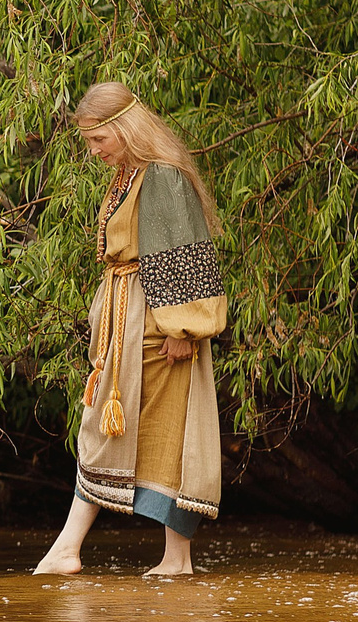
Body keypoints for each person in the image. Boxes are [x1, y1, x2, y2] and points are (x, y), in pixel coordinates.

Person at [32, 81, 228, 578]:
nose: (94, 151)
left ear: (124, 128)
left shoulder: (161, 176)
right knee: (128, 422)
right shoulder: (130, 174)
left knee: (164, 426)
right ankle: (132, 555)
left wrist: (182, 328)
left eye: (99, 140)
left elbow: (180, 251)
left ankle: (152, 556)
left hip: (158, 320)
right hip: (130, 313)